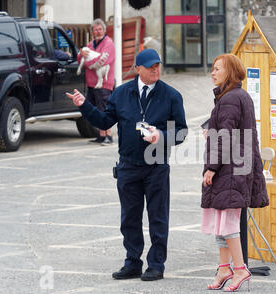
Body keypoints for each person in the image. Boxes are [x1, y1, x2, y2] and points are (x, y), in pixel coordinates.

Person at [66, 48, 188, 281]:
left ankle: (156, 265)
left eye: (158, 65)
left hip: (156, 166)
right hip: (128, 166)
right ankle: (132, 261)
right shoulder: (121, 93)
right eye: (151, 66)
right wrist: (84, 105)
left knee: (158, 218)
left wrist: (161, 136)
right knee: (129, 218)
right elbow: (104, 121)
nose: (155, 69)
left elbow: (181, 132)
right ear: (138, 69)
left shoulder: (172, 96)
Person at [201, 54, 269, 292]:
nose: (213, 72)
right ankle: (224, 268)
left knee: (228, 222)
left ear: (229, 72)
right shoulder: (234, 97)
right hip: (234, 168)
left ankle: (239, 269)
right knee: (219, 220)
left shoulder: (230, 99)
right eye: (213, 67)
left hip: (231, 170)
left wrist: (211, 167)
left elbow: (226, 137)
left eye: (217, 68)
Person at [78, 18, 115, 146]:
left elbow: (103, 60)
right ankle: (101, 135)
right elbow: (81, 58)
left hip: (104, 83)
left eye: (100, 29)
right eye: (95, 29)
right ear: (92, 31)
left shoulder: (109, 43)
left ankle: (108, 136)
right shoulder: (90, 44)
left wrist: (87, 63)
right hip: (91, 84)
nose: (98, 31)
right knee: (95, 110)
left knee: (104, 109)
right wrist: (81, 54)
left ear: (104, 30)